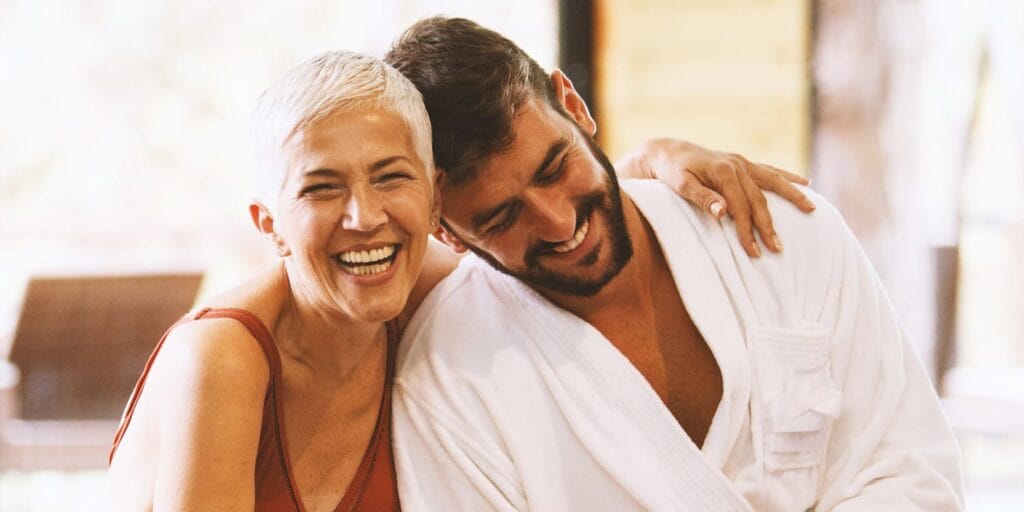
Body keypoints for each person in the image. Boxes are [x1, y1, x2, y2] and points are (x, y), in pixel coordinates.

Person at [103, 50, 808, 510]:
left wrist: (655, 160)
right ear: (269, 224)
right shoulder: (223, 359)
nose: (364, 217)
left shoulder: (423, 292)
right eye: (322, 190)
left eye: (391, 178)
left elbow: (541, 235)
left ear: (432, 206)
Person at [384, 16, 965, 511]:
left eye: (555, 167)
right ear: (446, 231)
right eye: (502, 218)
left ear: (573, 105)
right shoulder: (449, 385)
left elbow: (915, 475)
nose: (559, 223)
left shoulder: (786, 233)